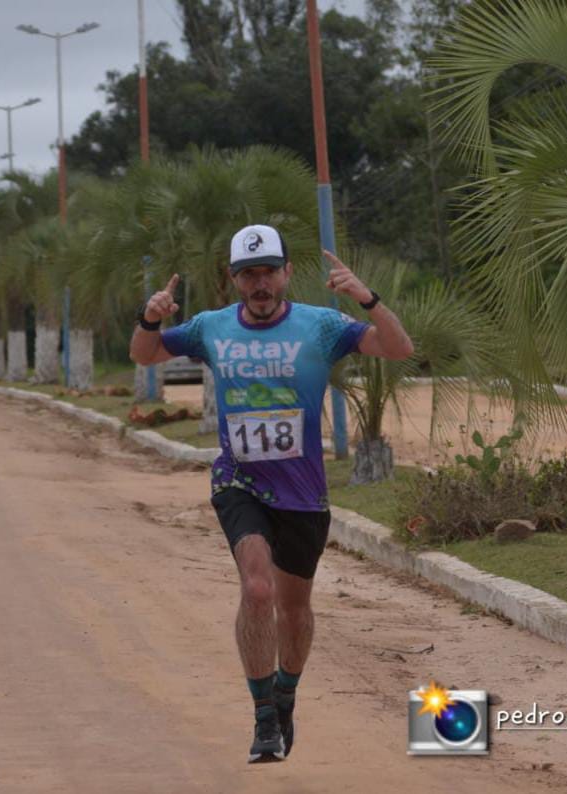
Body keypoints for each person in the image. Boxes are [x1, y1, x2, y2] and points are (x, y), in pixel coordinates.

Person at [130, 224, 413, 763]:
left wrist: (366, 298)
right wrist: (152, 316)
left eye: (268, 272)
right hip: (240, 480)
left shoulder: (322, 325)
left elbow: (398, 348)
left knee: (295, 610)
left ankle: (286, 694)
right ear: (234, 279)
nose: (260, 283)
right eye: (248, 274)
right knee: (257, 590)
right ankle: (263, 719)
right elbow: (145, 355)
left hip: (303, 493)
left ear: (285, 274)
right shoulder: (211, 327)